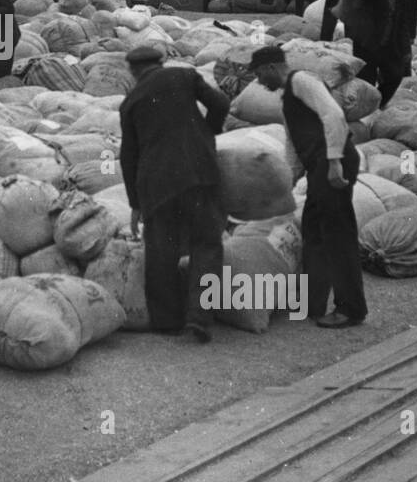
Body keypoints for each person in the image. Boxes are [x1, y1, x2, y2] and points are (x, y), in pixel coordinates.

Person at [250, 44, 366, 328]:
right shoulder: (287, 97)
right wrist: (285, 187)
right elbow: (293, 143)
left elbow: (333, 115)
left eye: (260, 76)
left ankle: (351, 309)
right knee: (314, 229)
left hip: (332, 163)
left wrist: (335, 161)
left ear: (270, 68)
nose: (260, 83)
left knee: (337, 233)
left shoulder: (302, 81)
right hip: (320, 166)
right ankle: (312, 302)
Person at [119, 44, 228, 341]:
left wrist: (135, 204)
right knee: (206, 244)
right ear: (161, 62)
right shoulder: (185, 76)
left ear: (133, 71)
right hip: (199, 172)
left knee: (161, 252)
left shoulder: (130, 102)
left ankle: (166, 321)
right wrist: (208, 132)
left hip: (156, 183)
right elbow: (221, 104)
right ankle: (200, 318)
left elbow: (128, 155)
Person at [343, 0, 417, 106]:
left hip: (389, 47)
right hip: (367, 46)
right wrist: (356, 38)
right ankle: (363, 110)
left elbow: (402, 26)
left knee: (395, 77)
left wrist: (406, 49)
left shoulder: (400, 0)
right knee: (367, 81)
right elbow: (354, 16)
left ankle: (378, 103)